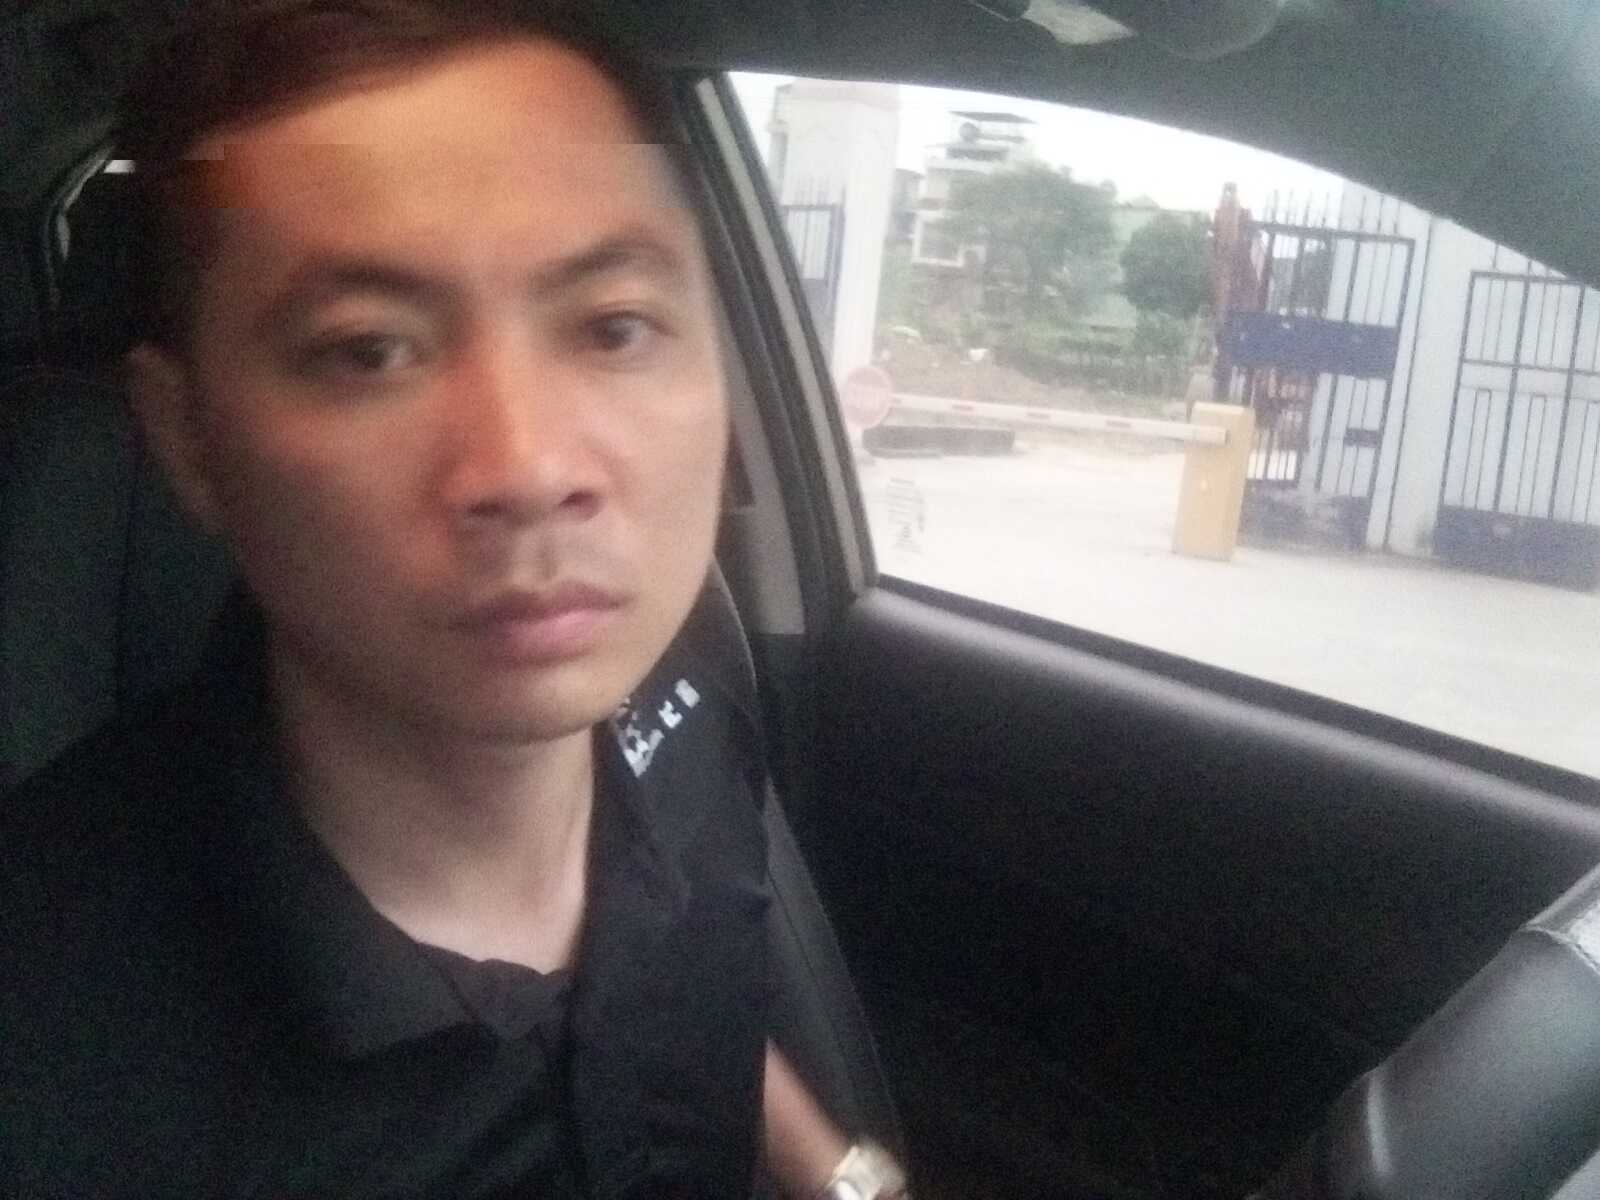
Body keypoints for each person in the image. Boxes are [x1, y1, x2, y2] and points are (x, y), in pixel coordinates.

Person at [0, 1, 907, 1196]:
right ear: (189, 443)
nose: (530, 468)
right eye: (368, 350)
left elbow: (699, 990)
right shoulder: (54, 1049)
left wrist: (847, 1181)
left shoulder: (680, 714)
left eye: (614, 327)